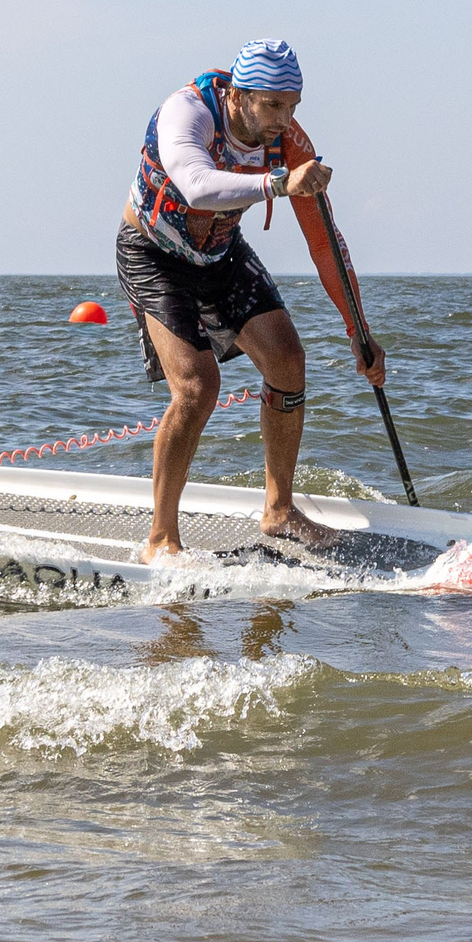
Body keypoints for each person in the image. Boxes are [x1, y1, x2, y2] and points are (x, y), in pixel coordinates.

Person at [118, 39, 386, 561]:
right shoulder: (187, 112)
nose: (284, 120)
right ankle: (160, 538)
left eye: (293, 107)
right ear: (239, 96)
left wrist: (359, 330)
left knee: (288, 359)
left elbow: (325, 243)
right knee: (197, 387)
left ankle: (279, 510)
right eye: (273, 105)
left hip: (219, 253)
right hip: (154, 253)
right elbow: (195, 186)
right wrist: (281, 183)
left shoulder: (288, 143)